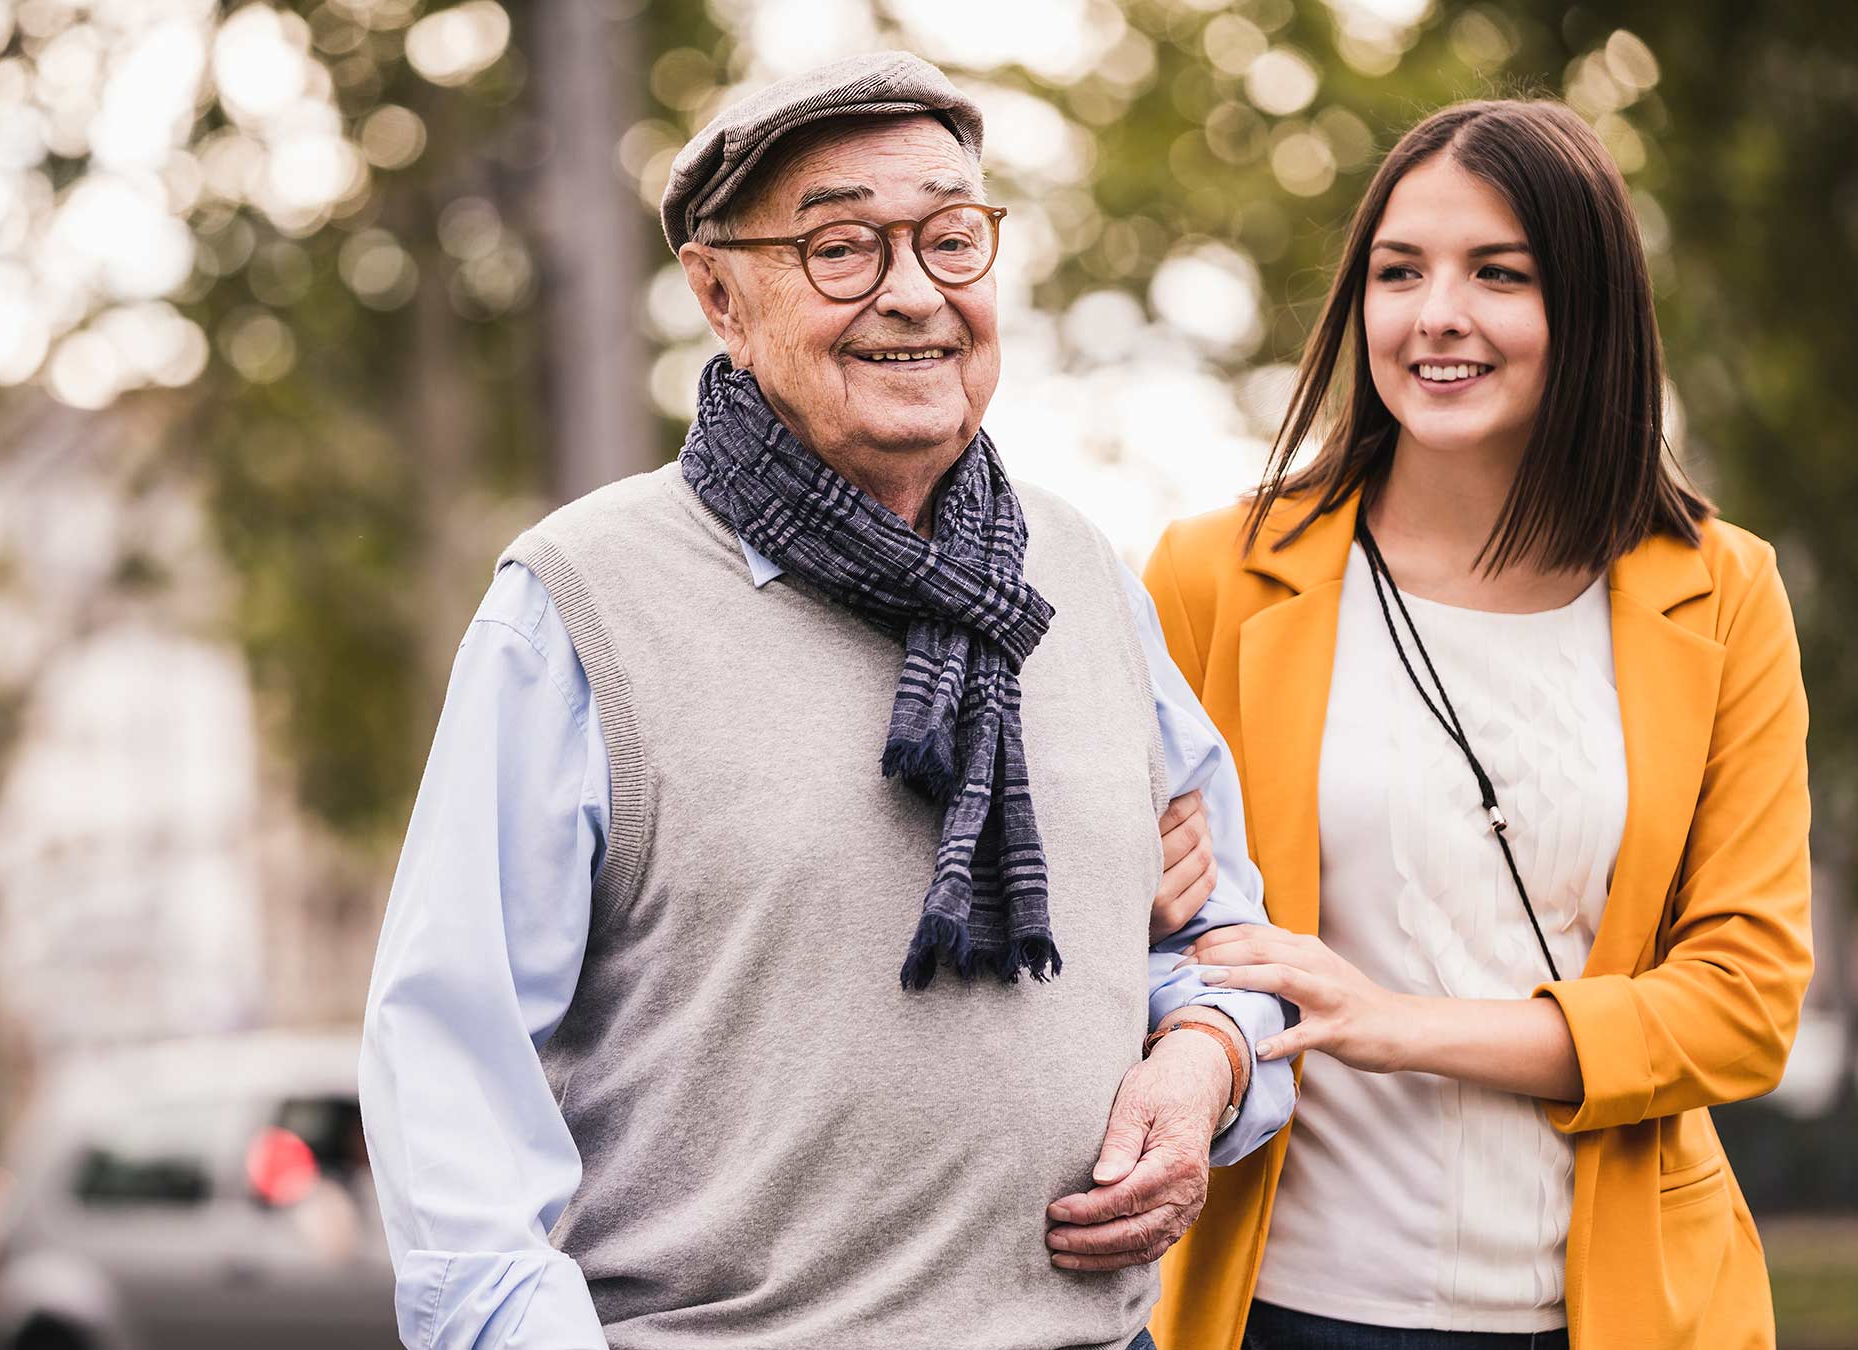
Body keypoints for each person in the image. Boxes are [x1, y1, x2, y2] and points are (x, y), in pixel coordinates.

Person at [356, 52, 1296, 1350]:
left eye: (952, 238)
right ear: (720, 295)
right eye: (843, 247)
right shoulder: (577, 605)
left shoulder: (1081, 575)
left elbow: (1230, 944)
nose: (915, 293)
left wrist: (1204, 1068)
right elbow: (449, 1070)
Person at [1137, 100, 1812, 1350]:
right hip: (1283, 1302)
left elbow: (1744, 1002)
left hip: (1622, 1309)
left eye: (1498, 274)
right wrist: (1134, 880)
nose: (1435, 313)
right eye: (1400, 273)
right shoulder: (1207, 576)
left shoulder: (1721, 592)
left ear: (1591, 313)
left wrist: (1396, 1026)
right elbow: (1116, 925)